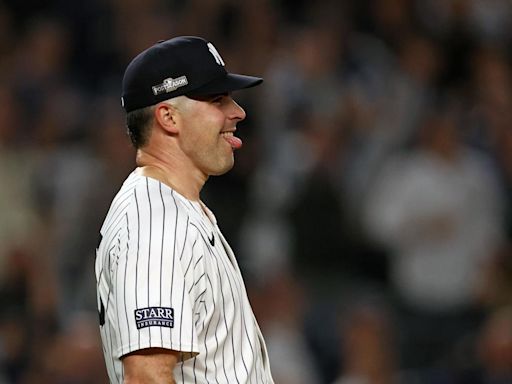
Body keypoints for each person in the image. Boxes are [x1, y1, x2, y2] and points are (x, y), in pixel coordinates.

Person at [95, 36, 274, 384]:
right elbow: (147, 375)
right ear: (168, 117)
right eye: (218, 99)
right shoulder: (156, 225)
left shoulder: (175, 210)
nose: (238, 112)